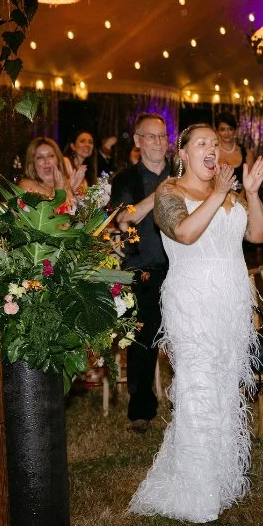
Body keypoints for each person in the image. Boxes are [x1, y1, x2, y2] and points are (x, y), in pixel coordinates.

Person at [129, 124, 263, 523]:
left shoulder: (229, 194)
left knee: (224, 391)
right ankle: (195, 493)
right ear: (184, 154)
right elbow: (186, 233)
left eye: (215, 144)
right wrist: (222, 194)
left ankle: (219, 480)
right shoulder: (169, 193)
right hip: (191, 302)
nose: (212, 150)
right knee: (198, 389)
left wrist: (252, 194)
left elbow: (259, 234)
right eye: (202, 144)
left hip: (231, 304)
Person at [109, 114, 172, 434]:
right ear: (137, 141)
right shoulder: (127, 179)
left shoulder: (182, 173)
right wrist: (160, 192)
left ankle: (188, 404)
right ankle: (142, 409)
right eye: (151, 137)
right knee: (143, 342)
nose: (159, 143)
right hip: (143, 270)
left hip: (181, 269)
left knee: (186, 339)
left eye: (162, 136)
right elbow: (123, 220)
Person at [18, 136, 83, 204]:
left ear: (58, 160)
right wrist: (58, 190)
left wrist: (74, 192)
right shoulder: (27, 186)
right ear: (32, 163)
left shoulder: (67, 183)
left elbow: (82, 212)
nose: (46, 161)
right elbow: (47, 212)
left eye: (51, 156)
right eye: (40, 157)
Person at [214, 111, 255, 189]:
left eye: (230, 129)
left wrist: (239, 200)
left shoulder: (247, 153)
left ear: (235, 130)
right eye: (222, 129)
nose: (227, 133)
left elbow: (250, 184)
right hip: (217, 199)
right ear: (217, 131)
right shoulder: (212, 153)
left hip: (242, 199)